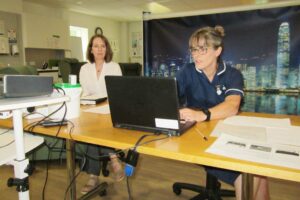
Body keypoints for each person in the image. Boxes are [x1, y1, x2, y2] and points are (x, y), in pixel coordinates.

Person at [176, 26, 269, 200]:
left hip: (227, 135)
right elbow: (168, 98)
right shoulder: (186, 72)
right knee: (253, 175)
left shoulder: (233, 74)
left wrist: (201, 114)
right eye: (193, 49)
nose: (196, 55)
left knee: (259, 171)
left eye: (202, 49)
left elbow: (232, 106)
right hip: (198, 139)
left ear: (217, 51)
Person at [79, 34, 124, 194]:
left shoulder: (114, 67)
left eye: (102, 46)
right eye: (96, 46)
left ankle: (93, 175)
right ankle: (114, 159)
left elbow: (118, 91)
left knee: (100, 130)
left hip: (110, 109)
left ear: (107, 49)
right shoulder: (85, 68)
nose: (99, 49)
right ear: (91, 49)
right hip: (91, 109)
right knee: (90, 131)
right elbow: (85, 92)